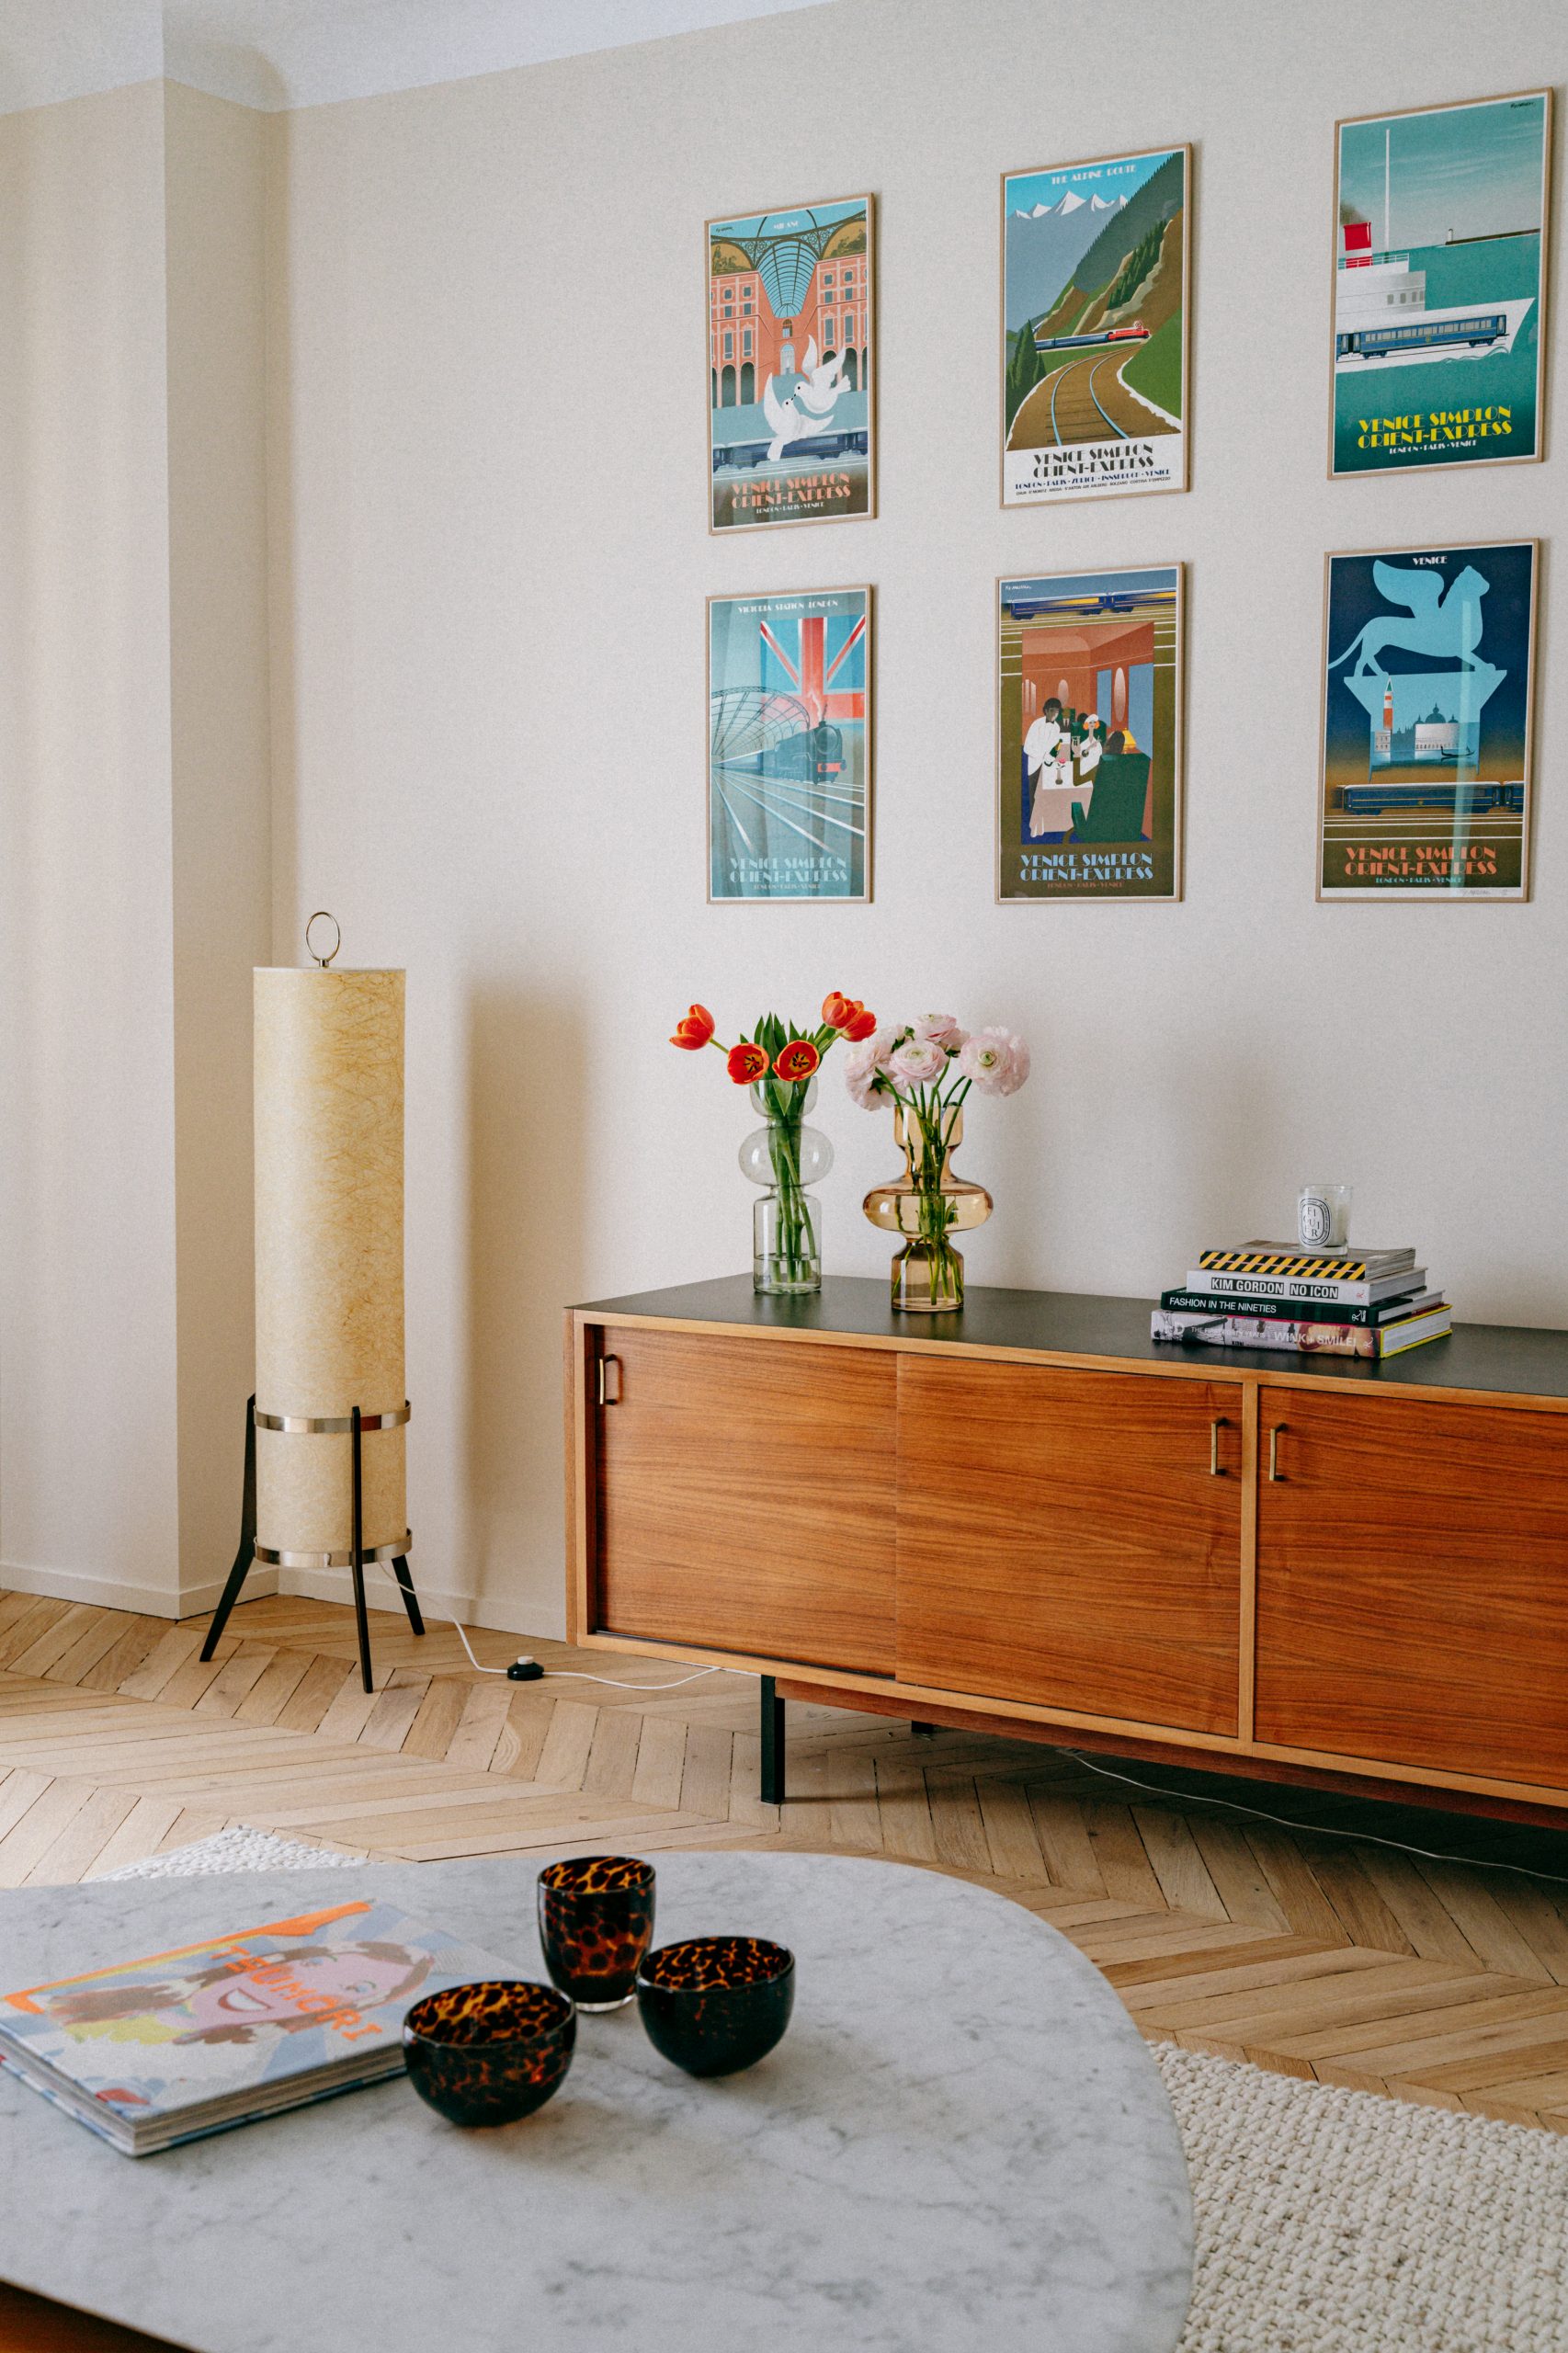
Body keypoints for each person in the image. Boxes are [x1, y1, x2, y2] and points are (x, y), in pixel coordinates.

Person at [1024, 697, 1064, 836]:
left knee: (1046, 796)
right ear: (1046, 710)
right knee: (1034, 796)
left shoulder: (1057, 727)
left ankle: (1045, 826)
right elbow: (1027, 748)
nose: (1054, 714)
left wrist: (1052, 757)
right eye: (1052, 711)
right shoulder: (1036, 724)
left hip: (1048, 766)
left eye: (1057, 712)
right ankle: (1034, 828)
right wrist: (1042, 755)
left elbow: (1054, 749)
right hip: (1035, 765)